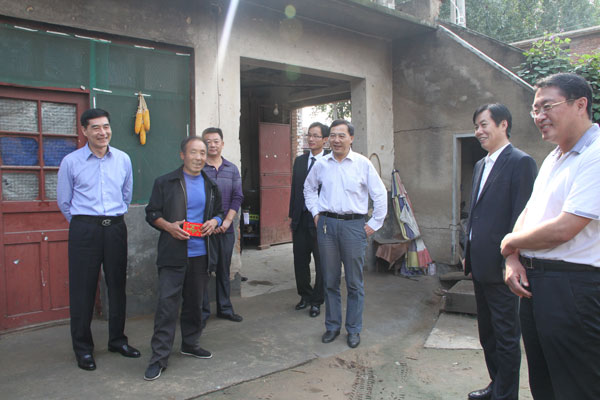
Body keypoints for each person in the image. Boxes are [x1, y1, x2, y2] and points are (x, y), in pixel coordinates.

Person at [501, 73, 600, 400]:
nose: (539, 116)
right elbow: (529, 213)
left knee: (576, 385)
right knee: (543, 382)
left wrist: (510, 242)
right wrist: (513, 257)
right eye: (535, 109)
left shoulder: (595, 155)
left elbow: (565, 227)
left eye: (547, 106)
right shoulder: (554, 157)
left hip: (573, 287)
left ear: (580, 105)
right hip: (537, 284)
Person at [57, 108, 140, 371]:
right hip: (85, 230)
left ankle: (118, 340)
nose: (102, 132)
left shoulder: (123, 159)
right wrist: (85, 224)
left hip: (115, 228)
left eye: (106, 126)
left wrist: (110, 219)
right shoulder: (71, 162)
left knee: (117, 286)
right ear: (84, 131)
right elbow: (64, 201)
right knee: (82, 290)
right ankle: (83, 349)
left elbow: (126, 195)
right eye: (95, 127)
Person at [464, 104, 537, 400]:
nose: (478, 131)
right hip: (479, 263)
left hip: (503, 265)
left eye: (484, 124)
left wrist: (513, 257)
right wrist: (468, 250)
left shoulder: (521, 162)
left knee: (506, 336)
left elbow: (522, 216)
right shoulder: (481, 165)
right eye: (476, 126)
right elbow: (476, 213)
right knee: (488, 334)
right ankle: (496, 385)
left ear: (503, 124)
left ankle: (506, 395)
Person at [144, 137, 224, 381]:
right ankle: (158, 358)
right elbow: (151, 213)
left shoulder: (211, 185)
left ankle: (190, 343)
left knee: (195, 304)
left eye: (203, 153)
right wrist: (168, 226)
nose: (199, 157)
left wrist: (215, 222)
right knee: (167, 307)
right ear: (182, 155)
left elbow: (220, 212)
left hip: (201, 254)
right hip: (173, 254)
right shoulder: (166, 182)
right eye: (194, 152)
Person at [304, 119, 387, 348]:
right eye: (333, 135)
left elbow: (380, 194)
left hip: (353, 226)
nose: (336, 140)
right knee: (330, 280)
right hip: (327, 226)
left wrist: (374, 223)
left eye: (341, 135)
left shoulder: (362, 164)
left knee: (353, 282)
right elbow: (308, 188)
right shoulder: (321, 164)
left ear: (351, 138)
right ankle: (332, 326)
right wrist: (315, 213)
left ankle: (353, 329)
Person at [201, 127, 244, 324]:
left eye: (216, 141)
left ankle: (225, 308)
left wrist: (227, 221)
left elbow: (238, 196)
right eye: (208, 141)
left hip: (226, 229)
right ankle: (202, 312)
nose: (212, 145)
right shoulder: (199, 168)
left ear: (222, 144)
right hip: (203, 229)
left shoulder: (232, 169)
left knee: (223, 269)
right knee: (202, 271)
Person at [289, 122, 329, 317]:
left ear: (325, 140)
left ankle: (317, 300)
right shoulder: (299, 161)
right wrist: (292, 216)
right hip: (300, 219)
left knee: (321, 262)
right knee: (300, 260)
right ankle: (305, 295)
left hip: (320, 220)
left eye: (315, 136)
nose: (311, 139)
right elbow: (295, 190)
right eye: (309, 135)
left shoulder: (330, 161)